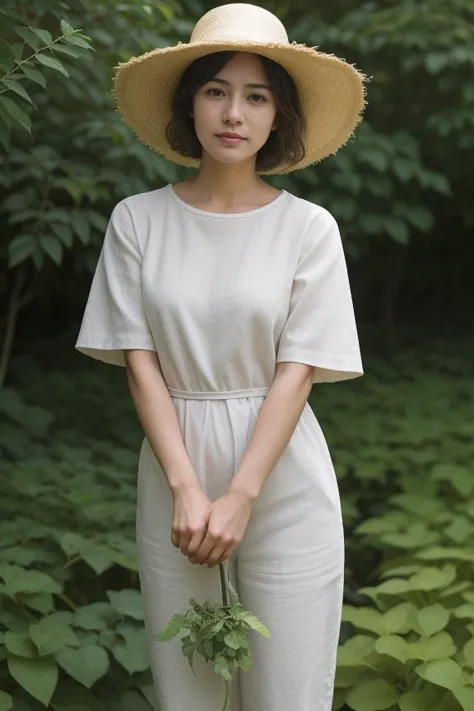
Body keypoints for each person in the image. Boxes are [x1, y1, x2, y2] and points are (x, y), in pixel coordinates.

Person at [76, 3, 366, 710]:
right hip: (174, 465)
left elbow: (299, 369)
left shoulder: (308, 229)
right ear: (190, 104)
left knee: (288, 689)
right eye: (216, 90)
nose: (234, 112)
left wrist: (239, 494)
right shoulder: (137, 221)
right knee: (192, 686)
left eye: (256, 96)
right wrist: (185, 486)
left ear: (278, 117)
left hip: (282, 472)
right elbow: (138, 357)